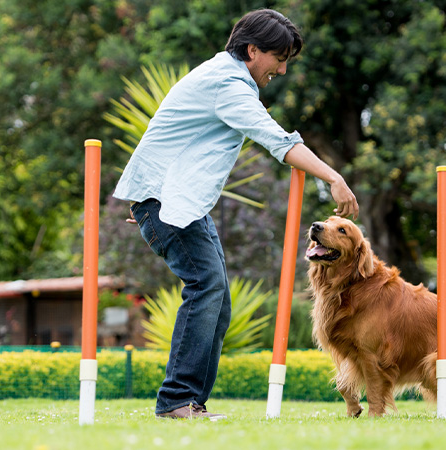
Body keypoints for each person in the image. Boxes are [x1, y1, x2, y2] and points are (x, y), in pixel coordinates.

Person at [113, 9, 359, 420]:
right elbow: (276, 140)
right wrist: (334, 177)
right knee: (205, 285)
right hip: (166, 203)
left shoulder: (221, 76)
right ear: (252, 50)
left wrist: (151, 197)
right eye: (279, 58)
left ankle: (189, 403)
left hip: (176, 202)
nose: (281, 70)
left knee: (217, 299)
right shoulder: (228, 83)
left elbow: (177, 135)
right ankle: (176, 401)